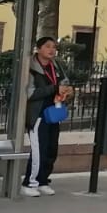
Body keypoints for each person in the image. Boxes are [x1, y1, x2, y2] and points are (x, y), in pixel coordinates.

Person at [23, 36, 70, 196]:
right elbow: (29, 93)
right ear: (39, 48)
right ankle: (29, 183)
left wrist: (65, 92)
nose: (52, 50)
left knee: (51, 149)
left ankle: (43, 180)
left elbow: (64, 82)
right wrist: (54, 88)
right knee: (39, 150)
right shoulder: (31, 68)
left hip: (53, 113)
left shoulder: (55, 66)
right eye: (48, 46)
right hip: (38, 116)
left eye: (54, 47)